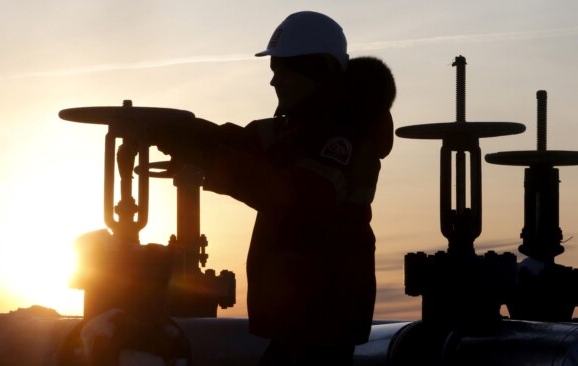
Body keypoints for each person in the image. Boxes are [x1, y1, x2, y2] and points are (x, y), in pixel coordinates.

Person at [152, 11, 396, 366]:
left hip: (322, 319)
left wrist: (205, 157)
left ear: (315, 71)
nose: (274, 83)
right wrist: (184, 132)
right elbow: (243, 142)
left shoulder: (343, 137)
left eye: (282, 72)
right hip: (305, 322)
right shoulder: (301, 127)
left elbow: (294, 199)